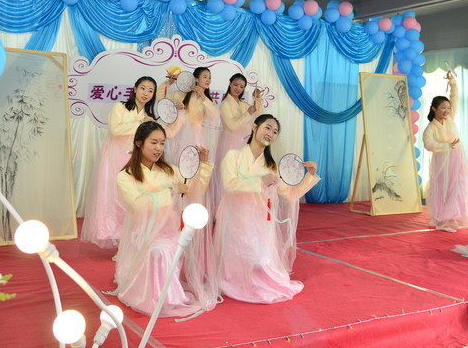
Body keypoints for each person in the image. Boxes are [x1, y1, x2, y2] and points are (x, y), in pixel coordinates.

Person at [113, 122, 217, 317]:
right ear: (139, 143)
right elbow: (137, 204)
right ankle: (155, 297)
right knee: (157, 252)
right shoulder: (125, 176)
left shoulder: (170, 170)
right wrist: (170, 192)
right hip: (143, 233)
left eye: (162, 143)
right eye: (153, 143)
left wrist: (203, 167)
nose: (158, 148)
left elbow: (193, 190)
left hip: (169, 231)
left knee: (163, 250)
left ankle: (169, 298)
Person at [214, 114, 319, 304]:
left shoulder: (271, 166)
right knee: (239, 262)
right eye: (267, 127)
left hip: (260, 220)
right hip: (236, 218)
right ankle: (237, 282)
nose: (270, 133)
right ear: (255, 127)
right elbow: (229, 185)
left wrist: (309, 176)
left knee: (261, 260)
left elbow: (291, 193)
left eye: (275, 131)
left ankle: (255, 282)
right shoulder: (233, 156)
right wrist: (260, 181)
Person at [81, 77, 157, 247]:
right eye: (143, 88)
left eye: (150, 90)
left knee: (132, 198)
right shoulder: (120, 107)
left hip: (134, 159)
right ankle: (116, 238)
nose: (146, 93)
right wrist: (140, 123)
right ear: (135, 89)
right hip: (114, 158)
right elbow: (116, 130)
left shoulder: (148, 116)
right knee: (113, 197)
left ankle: (130, 242)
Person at [422, 72, 468, 232]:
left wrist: (452, 81)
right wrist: (447, 147)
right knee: (442, 188)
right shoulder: (431, 127)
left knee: (457, 186)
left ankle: (451, 216)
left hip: (457, 157)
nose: (446, 110)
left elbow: (455, 97)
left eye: (448, 108)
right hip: (442, 160)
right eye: (443, 108)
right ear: (434, 109)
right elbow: (428, 144)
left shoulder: (450, 118)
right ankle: (440, 220)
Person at [208, 73, 263, 218]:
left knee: (242, 176)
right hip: (229, 145)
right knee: (227, 177)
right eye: (236, 85)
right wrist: (248, 113)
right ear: (230, 84)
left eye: (242, 86)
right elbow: (231, 126)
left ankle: (239, 211)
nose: (238, 88)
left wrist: (257, 98)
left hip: (243, 145)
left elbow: (258, 114)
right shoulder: (225, 104)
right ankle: (221, 213)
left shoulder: (243, 104)